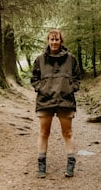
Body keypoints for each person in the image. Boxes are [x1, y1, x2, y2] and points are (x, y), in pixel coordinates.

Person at [31, 29, 83, 178]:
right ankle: (41, 166)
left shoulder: (71, 59)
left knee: (68, 133)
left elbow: (77, 78)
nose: (54, 42)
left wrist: (68, 89)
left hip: (65, 101)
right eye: (52, 39)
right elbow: (34, 79)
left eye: (57, 39)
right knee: (43, 133)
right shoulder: (40, 59)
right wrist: (43, 89)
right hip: (45, 101)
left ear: (61, 41)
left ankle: (70, 165)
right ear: (48, 41)